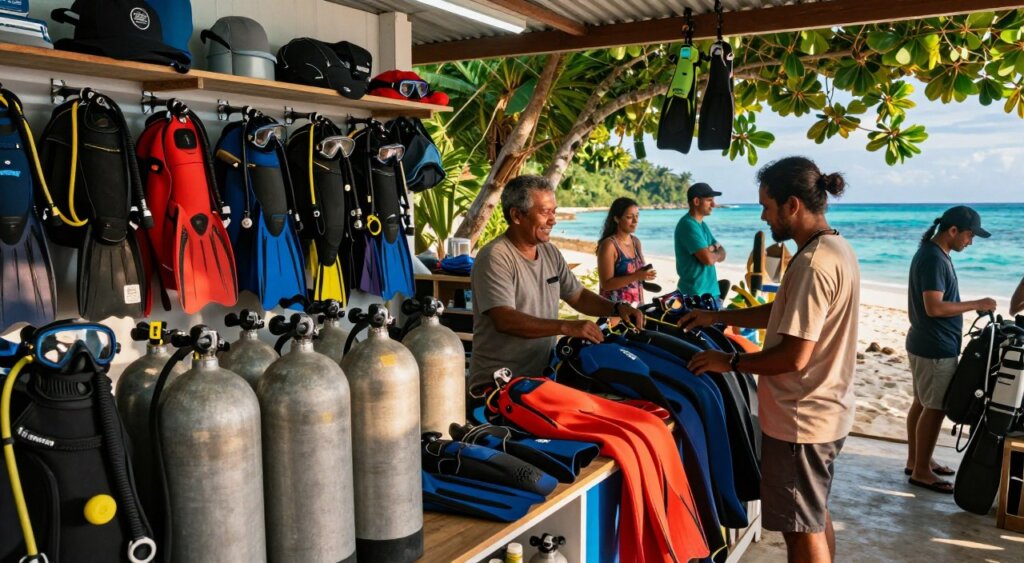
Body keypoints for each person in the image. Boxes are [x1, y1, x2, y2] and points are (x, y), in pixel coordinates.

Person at [680, 157, 858, 563]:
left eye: (767, 205)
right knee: (813, 516)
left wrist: (730, 362)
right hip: (826, 410)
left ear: (792, 205)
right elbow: (783, 312)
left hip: (802, 419)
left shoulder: (812, 264)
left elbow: (795, 356)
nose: (763, 215)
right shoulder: (834, 247)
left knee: (800, 532)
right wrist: (718, 316)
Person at [468, 175, 645, 398]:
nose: (553, 220)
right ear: (516, 215)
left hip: (540, 377)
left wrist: (617, 308)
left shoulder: (549, 252)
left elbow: (578, 295)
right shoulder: (495, 257)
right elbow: (504, 319)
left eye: (554, 211)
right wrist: (565, 326)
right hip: (498, 384)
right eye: (545, 212)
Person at [904, 206, 996, 493]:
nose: (971, 241)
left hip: (922, 342)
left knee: (921, 403)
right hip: (934, 347)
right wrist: (976, 304)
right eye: (970, 235)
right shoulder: (933, 259)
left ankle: (917, 460)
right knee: (935, 408)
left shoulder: (933, 255)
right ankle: (921, 472)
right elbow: (934, 307)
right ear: (953, 231)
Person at [597, 197, 656, 306]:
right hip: (614, 311)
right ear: (617, 219)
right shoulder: (609, 245)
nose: (635, 221)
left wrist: (645, 275)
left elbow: (637, 279)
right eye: (629, 217)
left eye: (637, 216)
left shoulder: (635, 242)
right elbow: (606, 284)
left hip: (636, 308)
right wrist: (636, 276)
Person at [675, 182, 726, 300]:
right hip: (696, 295)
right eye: (709, 200)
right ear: (696, 201)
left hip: (711, 292)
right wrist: (713, 249)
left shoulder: (702, 225)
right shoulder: (688, 225)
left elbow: (723, 253)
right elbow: (707, 259)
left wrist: (712, 250)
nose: (713, 204)